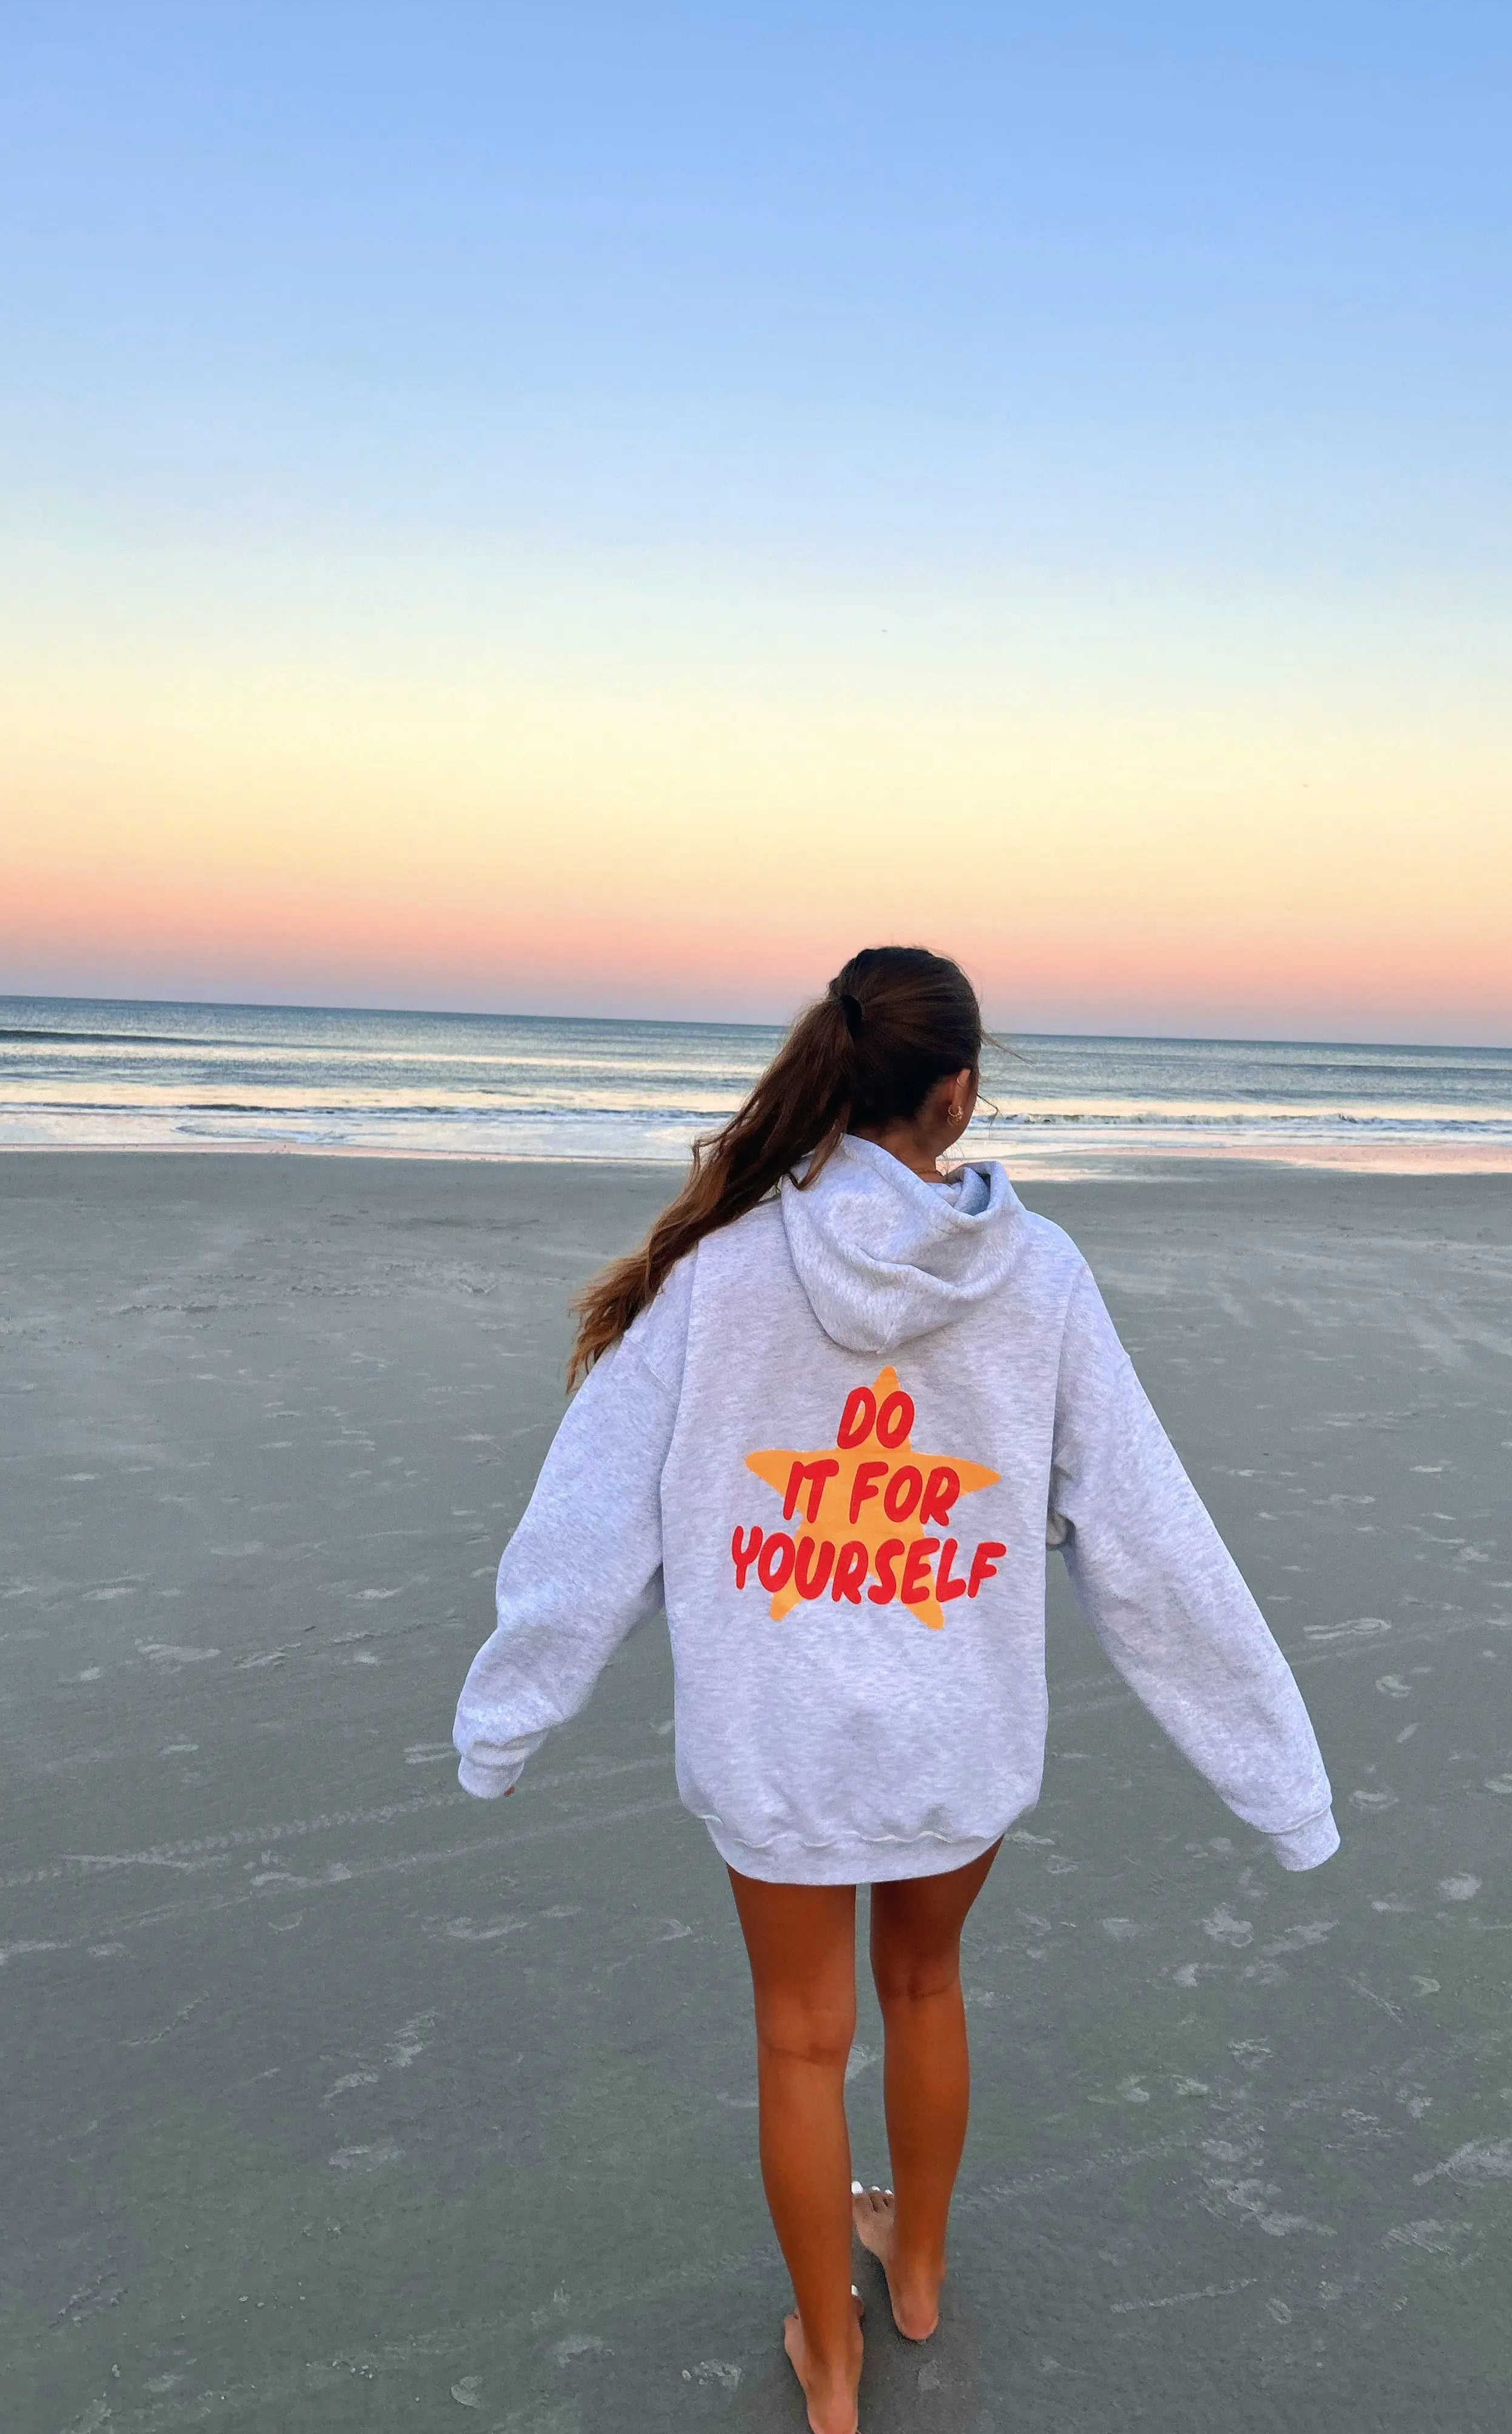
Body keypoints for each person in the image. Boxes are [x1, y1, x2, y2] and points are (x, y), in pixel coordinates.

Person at [452, 945, 1338, 2434]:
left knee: (801, 2040)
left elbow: (589, 1517)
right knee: (925, 1986)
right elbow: (1149, 1539)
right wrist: (1280, 1783)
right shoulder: (1040, 1280)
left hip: (774, 1735)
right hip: (959, 1731)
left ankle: (834, 2357)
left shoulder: (724, 1273)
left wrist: (507, 1719)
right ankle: (913, 2273)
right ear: (959, 1092)